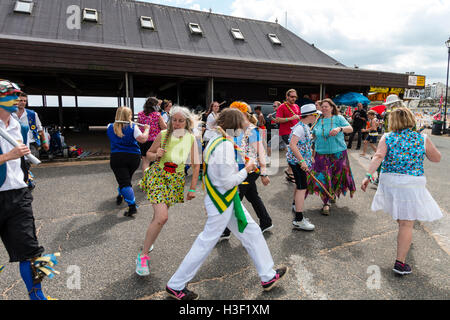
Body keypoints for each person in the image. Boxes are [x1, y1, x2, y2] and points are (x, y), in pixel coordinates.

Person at [165, 108, 287, 300]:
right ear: (235, 126)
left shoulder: (217, 140)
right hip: (222, 201)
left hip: (225, 200)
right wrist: (247, 169)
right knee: (206, 242)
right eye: (242, 125)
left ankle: (268, 276)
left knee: (252, 231)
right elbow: (228, 181)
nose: (245, 128)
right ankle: (175, 284)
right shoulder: (225, 146)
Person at [361, 107, 442, 275]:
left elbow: (378, 156)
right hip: (411, 182)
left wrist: (368, 175)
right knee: (407, 223)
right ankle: (400, 264)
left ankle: (405, 239)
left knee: (402, 217)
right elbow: (436, 158)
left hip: (390, 181)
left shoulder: (388, 137)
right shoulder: (421, 137)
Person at [0, 79, 57, 300]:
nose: (17, 98)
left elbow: (21, 161)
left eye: (17, 94)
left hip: (19, 195)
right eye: (10, 94)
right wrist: (7, 157)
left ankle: (37, 296)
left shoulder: (20, 125)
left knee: (32, 253)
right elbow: (12, 157)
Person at [136, 106, 200, 276]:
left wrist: (192, 188)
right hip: (158, 177)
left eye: (181, 121)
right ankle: (142, 257)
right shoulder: (163, 135)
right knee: (162, 217)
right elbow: (147, 155)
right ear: (170, 120)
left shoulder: (191, 139)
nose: (177, 123)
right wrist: (156, 153)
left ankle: (148, 242)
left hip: (175, 181)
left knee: (158, 218)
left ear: (186, 122)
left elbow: (196, 164)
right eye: (174, 120)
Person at [219, 101, 272, 242]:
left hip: (249, 170)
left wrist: (264, 173)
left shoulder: (251, 130)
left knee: (234, 199)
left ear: (241, 114)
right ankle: (266, 221)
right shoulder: (234, 129)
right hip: (238, 169)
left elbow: (261, 152)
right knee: (253, 196)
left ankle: (225, 230)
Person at [307, 98, 356, 215]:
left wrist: (340, 128)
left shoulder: (338, 118)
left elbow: (350, 129)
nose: (323, 108)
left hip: (338, 153)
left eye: (326, 106)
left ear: (332, 108)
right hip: (321, 154)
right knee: (323, 177)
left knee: (336, 176)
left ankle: (331, 193)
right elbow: (312, 134)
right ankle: (326, 202)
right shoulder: (318, 120)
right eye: (322, 107)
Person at [107, 106, 150, 217]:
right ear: (128, 116)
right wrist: (146, 129)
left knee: (125, 182)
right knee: (125, 180)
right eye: (130, 115)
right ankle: (121, 194)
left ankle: (132, 206)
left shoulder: (109, 126)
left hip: (118, 158)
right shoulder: (133, 127)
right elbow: (143, 139)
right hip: (133, 158)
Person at [287, 104, 319, 231]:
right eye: (315, 115)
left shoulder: (304, 126)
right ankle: (299, 220)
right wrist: (302, 161)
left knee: (299, 185)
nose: (316, 117)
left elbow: (304, 145)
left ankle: (296, 206)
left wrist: (309, 156)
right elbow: (292, 145)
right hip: (297, 162)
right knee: (302, 188)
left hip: (298, 161)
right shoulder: (299, 128)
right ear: (310, 115)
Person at [12, 92, 49, 158]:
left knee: (28, 163)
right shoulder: (10, 114)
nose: (23, 102)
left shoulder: (33, 114)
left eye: (25, 101)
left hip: (30, 143)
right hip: (13, 143)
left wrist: (44, 142)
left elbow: (40, 129)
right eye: (20, 100)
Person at [275, 89, 301, 182]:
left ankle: (289, 171)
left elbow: (299, 118)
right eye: (292, 96)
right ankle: (291, 172)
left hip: (296, 132)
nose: (294, 98)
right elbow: (277, 119)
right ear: (287, 97)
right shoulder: (282, 106)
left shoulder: (297, 106)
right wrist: (290, 118)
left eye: (295, 97)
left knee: (293, 152)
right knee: (294, 151)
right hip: (286, 133)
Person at [137, 97, 167, 174]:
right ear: (154, 105)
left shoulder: (140, 114)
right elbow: (164, 127)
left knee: (145, 161)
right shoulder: (157, 115)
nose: (159, 107)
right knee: (156, 161)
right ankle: (153, 180)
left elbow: (137, 127)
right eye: (157, 105)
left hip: (143, 140)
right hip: (154, 141)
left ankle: (145, 180)